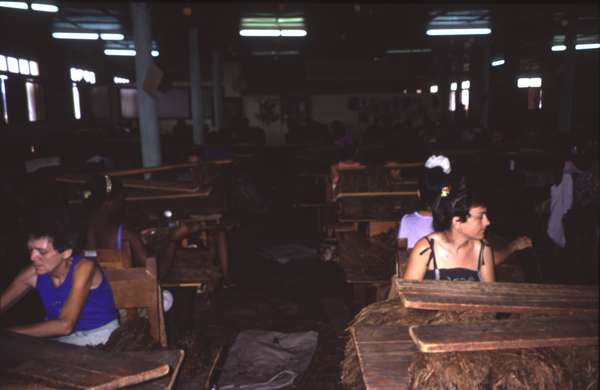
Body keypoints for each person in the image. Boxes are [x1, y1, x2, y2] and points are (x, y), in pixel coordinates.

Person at [0, 208, 119, 346]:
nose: (32, 257)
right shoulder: (32, 274)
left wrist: (9, 333)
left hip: (101, 338)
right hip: (63, 341)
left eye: (42, 252)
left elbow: (65, 326)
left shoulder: (84, 268)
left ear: (66, 253)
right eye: (31, 250)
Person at [403, 181, 495, 282]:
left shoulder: (482, 248)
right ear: (457, 222)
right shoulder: (426, 249)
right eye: (480, 217)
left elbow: (489, 295)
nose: (487, 222)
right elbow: (409, 294)